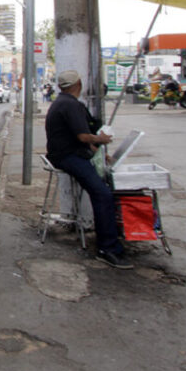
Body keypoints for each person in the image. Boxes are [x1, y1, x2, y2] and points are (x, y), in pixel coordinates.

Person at [45, 70, 132, 269]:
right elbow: (84, 137)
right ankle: (107, 248)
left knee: (104, 188)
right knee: (102, 193)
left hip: (67, 155)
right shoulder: (70, 105)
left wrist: (99, 152)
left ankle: (111, 237)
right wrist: (100, 140)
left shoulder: (62, 103)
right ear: (79, 84)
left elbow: (81, 139)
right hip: (68, 157)